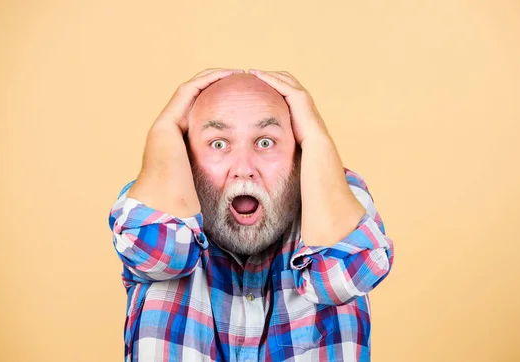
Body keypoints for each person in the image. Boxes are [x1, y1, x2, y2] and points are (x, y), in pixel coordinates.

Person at [108, 68, 395, 362]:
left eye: (265, 142)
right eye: (218, 143)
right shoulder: (154, 202)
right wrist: (165, 128)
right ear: (185, 155)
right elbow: (161, 256)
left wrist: (316, 137)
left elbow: (342, 279)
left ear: (298, 152)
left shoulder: (341, 197)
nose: (243, 167)